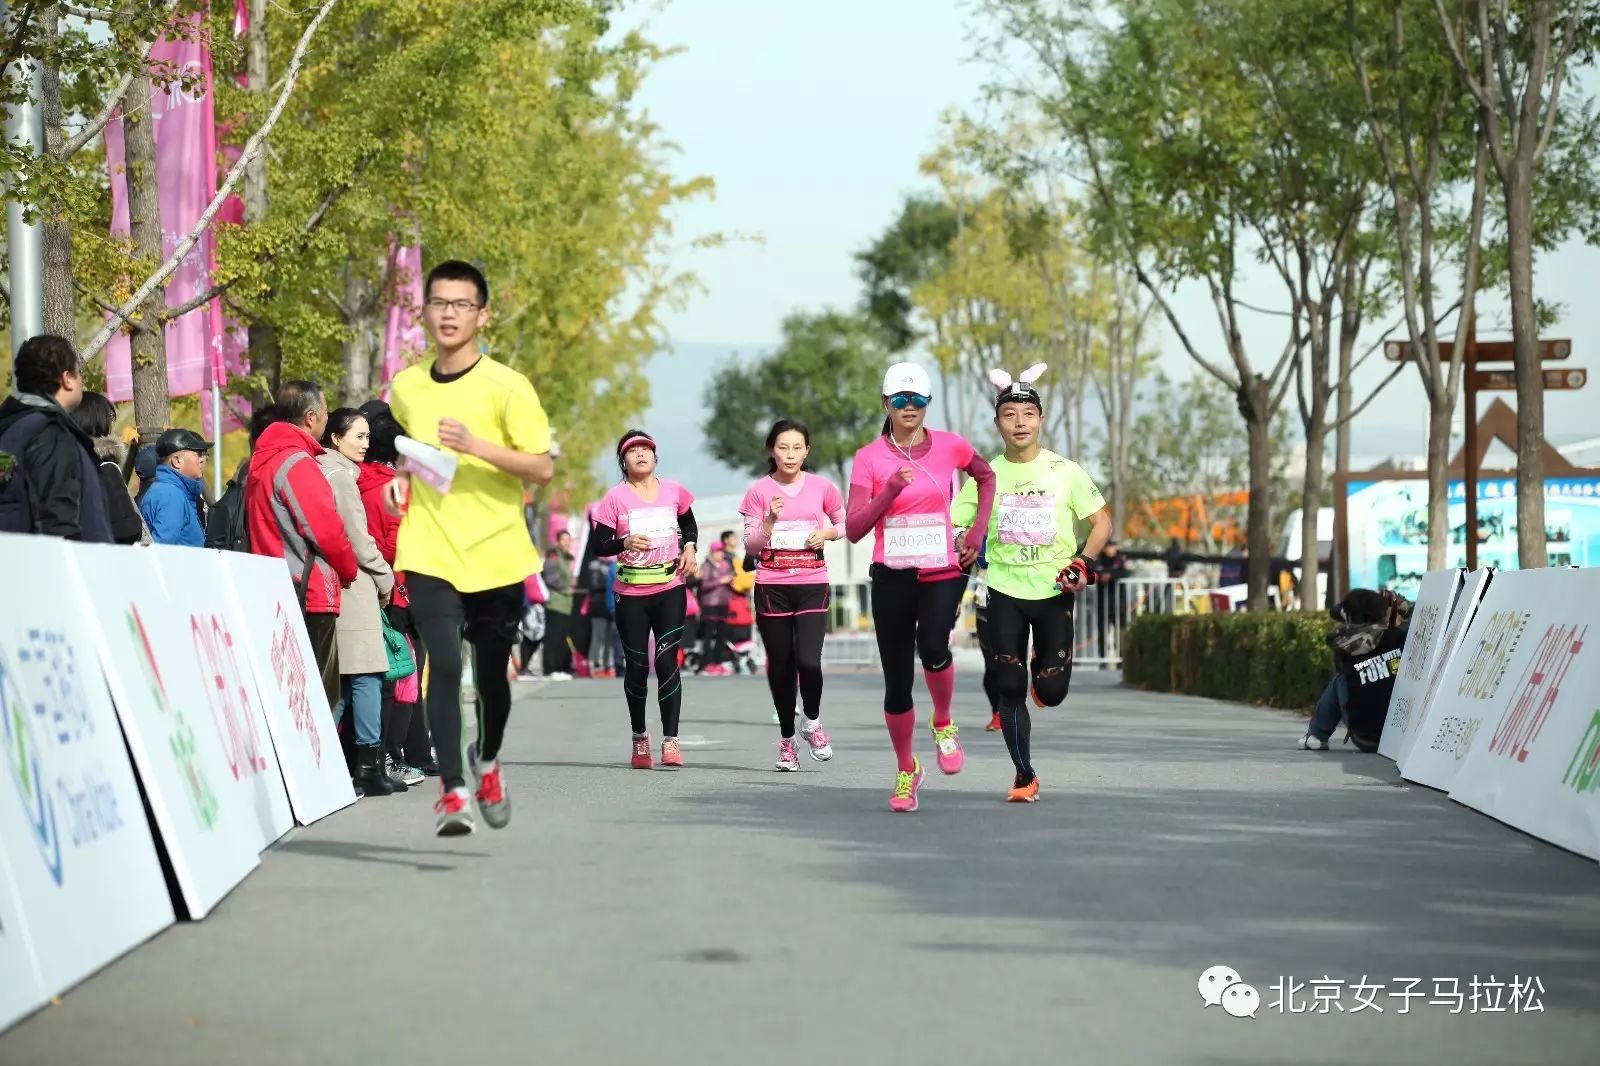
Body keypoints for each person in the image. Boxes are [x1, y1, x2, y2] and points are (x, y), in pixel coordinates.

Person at [388, 260, 555, 836]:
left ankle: (486, 762)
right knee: (441, 663)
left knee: (490, 680)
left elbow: (542, 468)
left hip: (496, 552)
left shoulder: (509, 387)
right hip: (429, 548)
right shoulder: (406, 387)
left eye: (462, 305)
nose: (449, 314)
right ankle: (454, 790)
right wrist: (401, 479)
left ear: (482, 315)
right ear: (425, 311)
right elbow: (413, 450)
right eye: (440, 303)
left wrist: (475, 444)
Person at [953, 364, 1112, 802]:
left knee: (1052, 693)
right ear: (997, 423)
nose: (1019, 423)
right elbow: (956, 523)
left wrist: (1083, 562)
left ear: (1040, 419)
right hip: (1003, 588)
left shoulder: (1065, 470)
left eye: (1027, 414)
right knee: (1009, 686)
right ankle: (1024, 775)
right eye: (1010, 415)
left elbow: (1101, 523)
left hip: (1054, 591)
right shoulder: (985, 475)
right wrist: (960, 541)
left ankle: (1044, 667)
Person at [846, 362, 994, 813]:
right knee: (897, 683)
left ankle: (944, 722)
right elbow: (853, 528)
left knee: (933, 646)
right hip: (891, 574)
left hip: (940, 569)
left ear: (927, 403)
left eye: (917, 400)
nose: (908, 407)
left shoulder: (951, 445)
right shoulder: (869, 457)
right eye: (900, 399)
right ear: (885, 403)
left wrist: (977, 532)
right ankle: (906, 769)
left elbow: (986, 477)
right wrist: (889, 490)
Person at [583, 430, 698, 769]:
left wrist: (690, 547)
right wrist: (625, 542)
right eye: (633, 451)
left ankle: (671, 740)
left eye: (646, 449)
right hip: (631, 593)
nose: (641, 454)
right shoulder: (615, 498)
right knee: (636, 667)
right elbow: (599, 545)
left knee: (666, 662)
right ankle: (639, 738)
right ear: (624, 461)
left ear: (655, 456)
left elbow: (689, 524)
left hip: (670, 587)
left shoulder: (674, 491)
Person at [245, 384, 360, 717]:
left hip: (276, 587)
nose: (326, 418)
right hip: (308, 592)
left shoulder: (263, 459)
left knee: (290, 701)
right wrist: (348, 569)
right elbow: (327, 530)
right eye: (325, 413)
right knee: (318, 703)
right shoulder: (296, 462)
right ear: (310, 417)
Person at [740, 418, 844, 770]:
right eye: (783, 447)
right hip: (772, 587)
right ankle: (787, 742)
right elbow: (751, 545)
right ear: (772, 451)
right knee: (782, 667)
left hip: (813, 583)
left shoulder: (822, 487)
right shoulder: (758, 491)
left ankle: (811, 723)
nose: (790, 454)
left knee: (809, 661)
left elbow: (845, 523)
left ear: (806, 451)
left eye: (797, 447)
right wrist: (769, 520)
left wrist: (826, 534)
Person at [316, 408, 403, 796]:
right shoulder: (340, 476)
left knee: (345, 680)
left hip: (334, 583)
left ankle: (323, 760)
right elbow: (358, 539)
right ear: (335, 438)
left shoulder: (324, 470)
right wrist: (386, 578)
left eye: (368, 437)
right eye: (358, 436)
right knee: (365, 676)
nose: (365, 444)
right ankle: (368, 766)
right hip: (354, 585)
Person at [357, 399, 436, 782]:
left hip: (374, 586)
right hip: (402, 587)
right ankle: (393, 754)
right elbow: (395, 542)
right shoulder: (392, 486)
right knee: (403, 673)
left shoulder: (357, 480)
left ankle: (407, 751)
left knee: (391, 673)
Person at [0, 333, 113, 542]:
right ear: (67, 379)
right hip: (59, 560)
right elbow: (58, 522)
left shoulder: (11, 428)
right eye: (78, 373)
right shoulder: (49, 433)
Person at [1300, 588, 1412, 752]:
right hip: (1399, 737)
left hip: (1365, 738)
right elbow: (1426, 618)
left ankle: (1317, 735)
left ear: (1349, 616)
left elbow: (1341, 618)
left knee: (1340, 679)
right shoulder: (1399, 636)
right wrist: (1401, 605)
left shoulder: (1342, 645)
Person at [69, 391, 145, 545]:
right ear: (95, 419)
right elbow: (125, 529)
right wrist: (138, 522)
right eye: (109, 416)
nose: (112, 423)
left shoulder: (65, 461)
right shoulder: (106, 466)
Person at [139, 428, 212, 547]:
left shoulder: (169, 491)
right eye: (198, 454)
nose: (203, 459)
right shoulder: (171, 495)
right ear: (177, 461)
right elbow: (163, 549)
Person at [697, 535, 735, 674]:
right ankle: (707, 663)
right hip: (710, 604)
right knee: (708, 635)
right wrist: (720, 581)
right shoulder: (706, 565)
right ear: (712, 552)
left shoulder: (727, 564)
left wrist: (732, 582)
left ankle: (719, 662)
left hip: (724, 603)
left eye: (721, 551)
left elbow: (731, 580)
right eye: (717, 551)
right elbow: (704, 585)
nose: (720, 554)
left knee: (722, 635)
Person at [542, 532, 575, 680]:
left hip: (566, 603)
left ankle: (560, 667)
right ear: (558, 541)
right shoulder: (553, 556)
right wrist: (567, 587)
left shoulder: (566, 557)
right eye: (564, 539)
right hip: (555, 602)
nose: (567, 542)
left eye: (569, 540)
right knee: (553, 637)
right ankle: (549, 668)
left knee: (562, 637)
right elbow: (551, 578)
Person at [585, 550, 617, 679]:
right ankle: (594, 664)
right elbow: (595, 584)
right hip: (598, 605)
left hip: (613, 604)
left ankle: (607, 664)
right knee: (598, 636)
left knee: (609, 637)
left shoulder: (615, 564)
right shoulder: (595, 565)